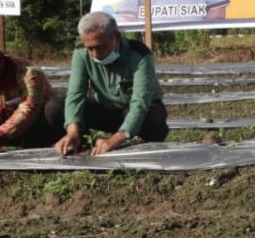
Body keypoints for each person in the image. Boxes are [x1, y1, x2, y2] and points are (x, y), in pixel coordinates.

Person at [48, 12, 169, 156]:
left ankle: (124, 136)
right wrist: (73, 131)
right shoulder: (81, 53)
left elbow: (140, 102)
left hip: (135, 112)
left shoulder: (139, 54)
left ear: (116, 37)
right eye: (90, 48)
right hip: (107, 110)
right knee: (55, 107)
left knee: (152, 117)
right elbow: (76, 94)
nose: (94, 54)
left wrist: (116, 139)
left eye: (100, 47)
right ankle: (82, 142)